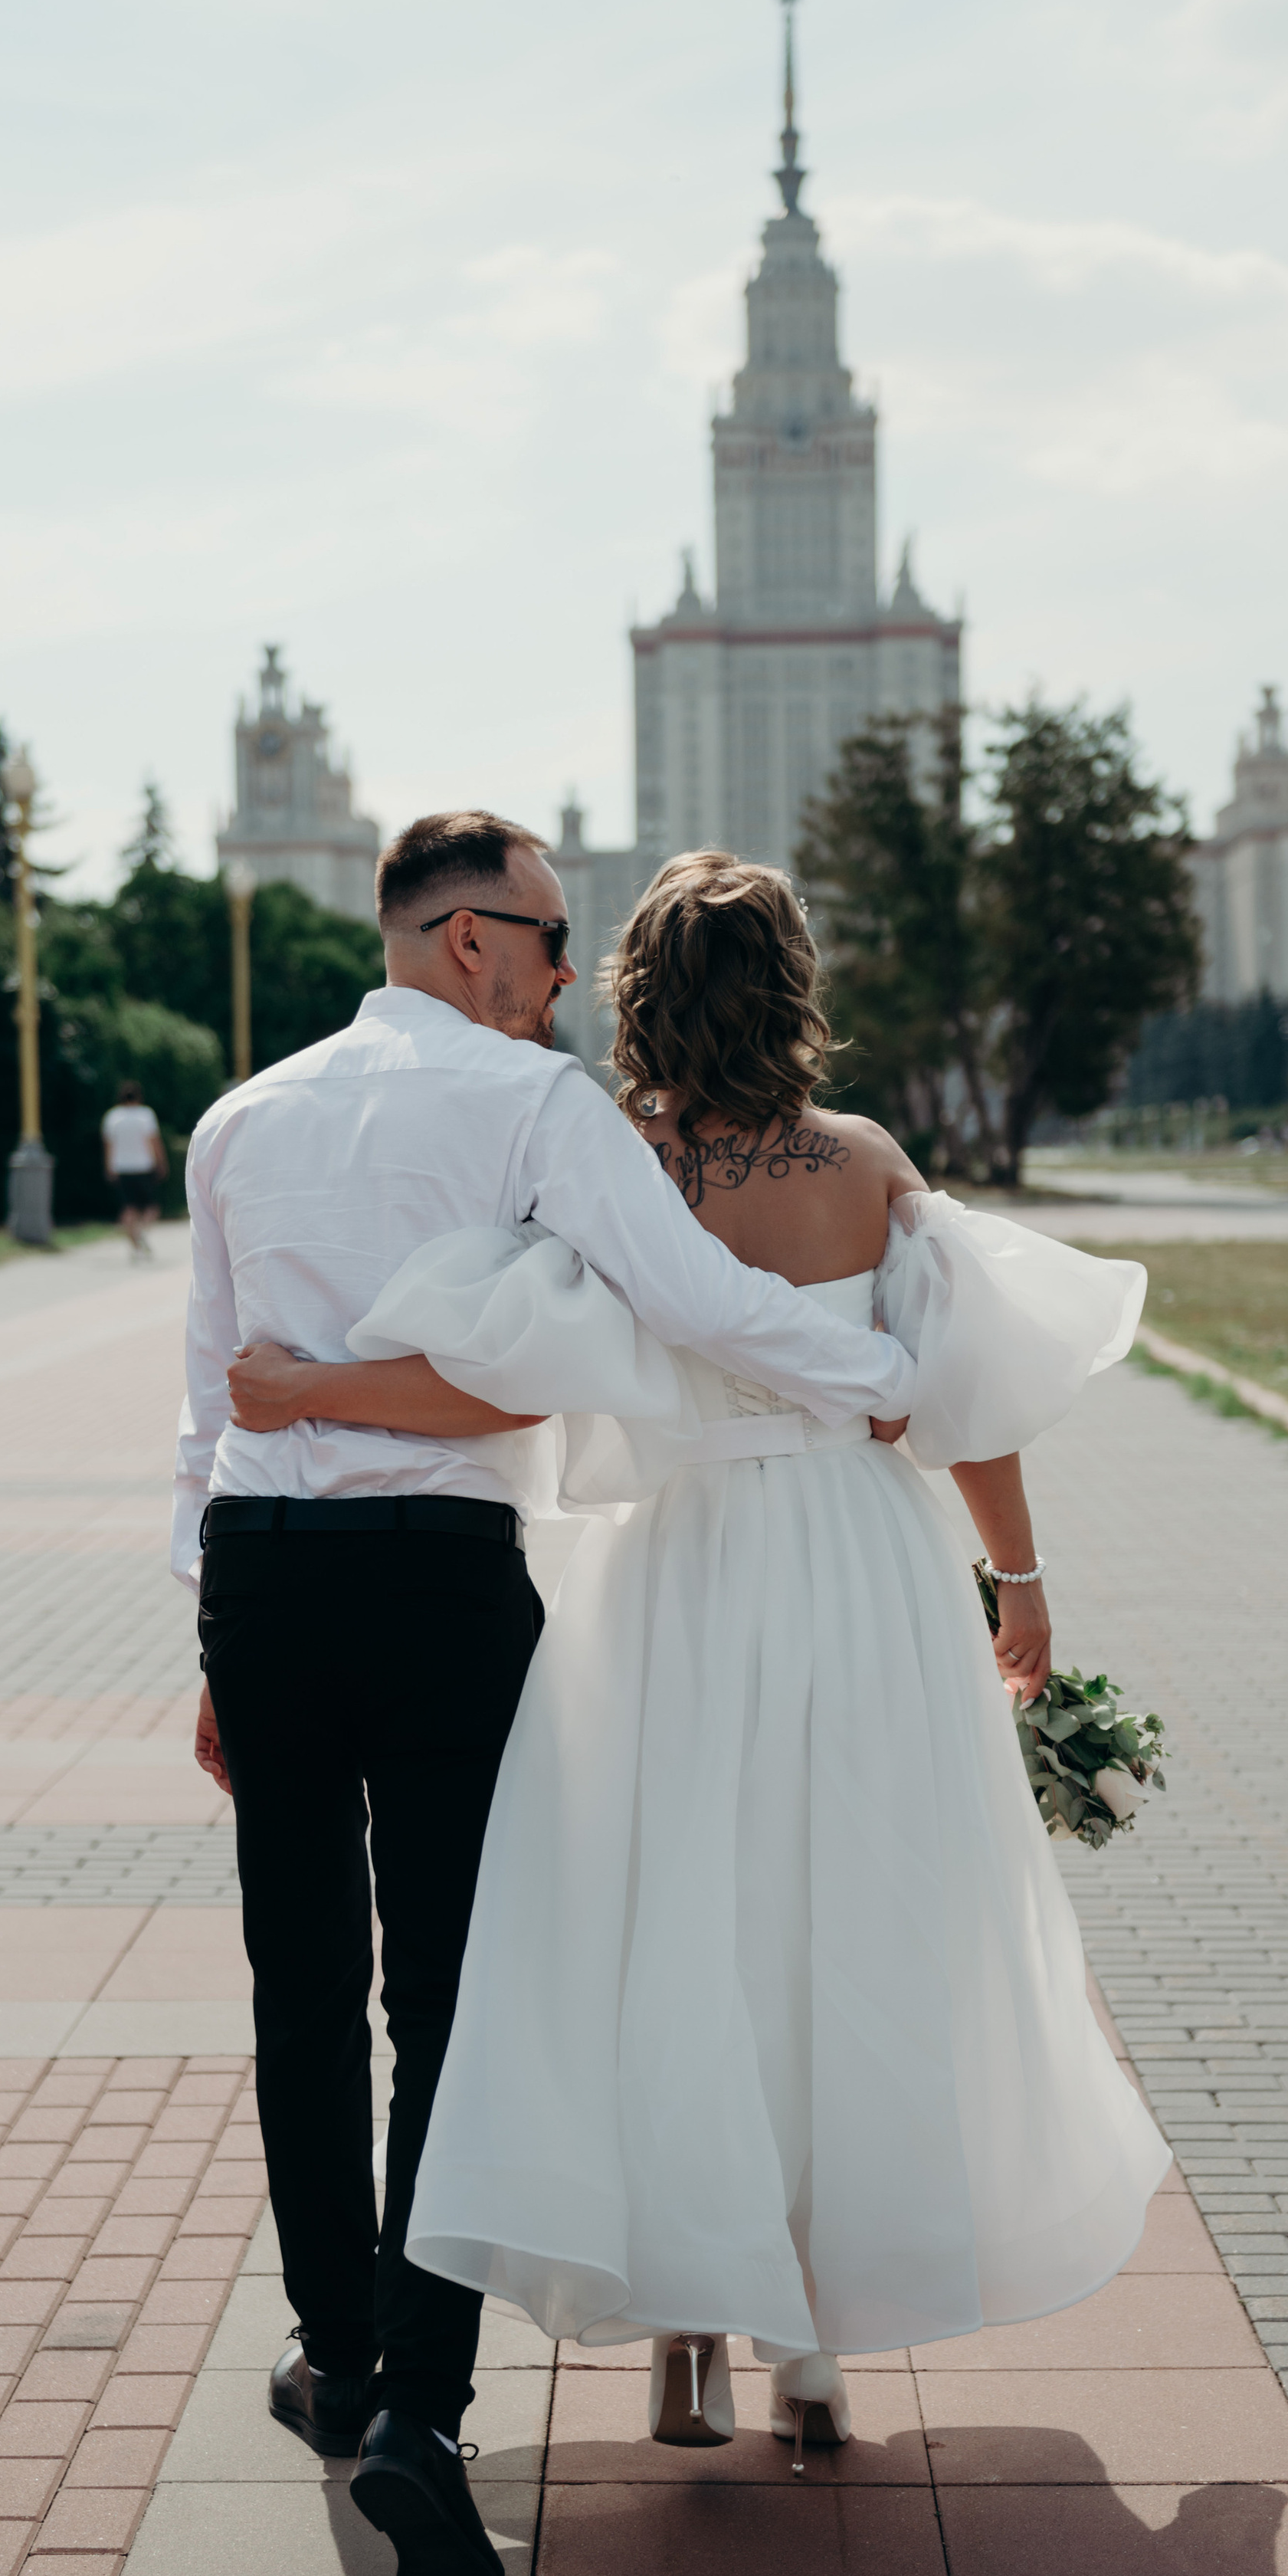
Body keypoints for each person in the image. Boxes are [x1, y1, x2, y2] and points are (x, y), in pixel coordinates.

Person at [228, 850, 1169, 2470]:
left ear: (641, 992)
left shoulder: (618, 1160)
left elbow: (510, 1367)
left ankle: (686, 2331)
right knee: (846, 1922)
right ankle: (809, 2345)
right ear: (793, 985)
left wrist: (311, 1392)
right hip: (857, 1571)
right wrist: (1017, 1579)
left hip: (668, 1572)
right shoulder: (864, 1163)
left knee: (683, 1930)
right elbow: (962, 1396)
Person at [174, 812, 919, 2576]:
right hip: (438, 1575)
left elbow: (205, 1402)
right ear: (465, 940)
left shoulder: (237, 1119)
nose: (566, 977)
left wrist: (205, 1631)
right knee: (447, 1989)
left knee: (295, 1980)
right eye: (547, 939)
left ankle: (332, 2353)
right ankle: (421, 2410)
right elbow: (696, 1301)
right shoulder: (532, 1106)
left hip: (262, 1571)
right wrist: (877, 1370)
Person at [100, 1079, 167, 1259]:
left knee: (128, 1208)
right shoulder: (146, 1115)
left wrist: (109, 1166)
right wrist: (161, 1162)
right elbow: (154, 1141)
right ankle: (142, 1233)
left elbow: (108, 1145)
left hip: (122, 1167)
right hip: (143, 1166)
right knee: (151, 1207)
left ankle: (135, 1245)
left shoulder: (112, 1117)